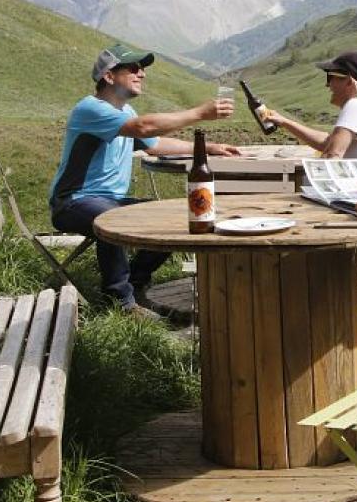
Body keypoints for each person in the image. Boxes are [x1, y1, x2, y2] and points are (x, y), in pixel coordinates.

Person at [49, 43, 240, 315]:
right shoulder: (90, 109)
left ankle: (136, 285)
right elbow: (143, 128)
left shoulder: (125, 113)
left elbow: (153, 143)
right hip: (73, 201)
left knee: (172, 217)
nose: (143, 74)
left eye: (143, 69)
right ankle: (120, 301)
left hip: (110, 200)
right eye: (134, 68)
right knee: (112, 220)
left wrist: (207, 148)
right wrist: (199, 113)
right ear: (108, 76)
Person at [256, 50, 357, 162]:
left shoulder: (356, 106)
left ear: (349, 81)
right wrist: (284, 121)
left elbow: (332, 154)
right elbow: (328, 142)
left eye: (331, 77)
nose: (327, 85)